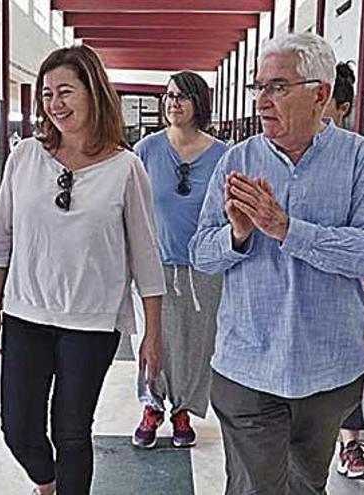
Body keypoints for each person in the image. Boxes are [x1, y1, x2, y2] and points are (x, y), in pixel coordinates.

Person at [189, 33, 364, 495]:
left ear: (320, 94)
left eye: (278, 87)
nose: (262, 101)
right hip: (248, 366)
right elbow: (202, 253)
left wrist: (287, 230)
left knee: (307, 486)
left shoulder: (362, 161)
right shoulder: (237, 161)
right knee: (254, 489)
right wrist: (238, 234)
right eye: (258, 87)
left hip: (329, 370)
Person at [0, 44, 165, 495]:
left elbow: (146, 257)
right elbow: (0, 236)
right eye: (46, 94)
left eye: (65, 91)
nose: (55, 104)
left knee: (73, 432)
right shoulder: (24, 158)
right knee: (18, 429)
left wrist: (152, 333)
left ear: (93, 92)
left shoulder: (125, 168)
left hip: (92, 324)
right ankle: (47, 484)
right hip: (26, 316)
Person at [130, 71, 227, 449]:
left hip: (203, 267)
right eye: (169, 96)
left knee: (195, 343)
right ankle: (151, 406)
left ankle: (183, 409)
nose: (173, 102)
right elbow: (131, 206)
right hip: (154, 264)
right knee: (153, 340)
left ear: (199, 103)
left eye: (182, 96)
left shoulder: (222, 154)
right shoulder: (147, 149)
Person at [321, 61, 364, 480]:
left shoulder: (360, 158)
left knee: (347, 357)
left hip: (345, 280)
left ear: (339, 107)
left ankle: (351, 442)